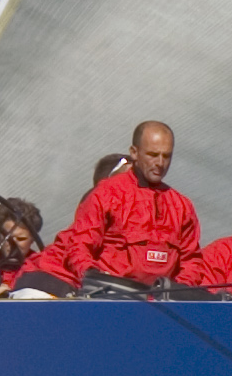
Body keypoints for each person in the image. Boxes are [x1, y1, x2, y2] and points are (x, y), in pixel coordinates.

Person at [14, 121, 201, 294]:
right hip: (109, 298)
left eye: (166, 156)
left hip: (158, 304)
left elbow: (191, 261)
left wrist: (178, 291)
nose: (160, 163)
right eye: (152, 155)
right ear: (134, 153)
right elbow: (80, 246)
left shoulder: (182, 206)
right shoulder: (106, 194)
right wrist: (93, 277)